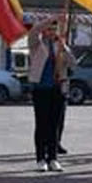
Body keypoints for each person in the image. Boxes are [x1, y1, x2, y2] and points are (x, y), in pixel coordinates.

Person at [27, 16, 75, 173]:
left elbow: (73, 63)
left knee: (55, 125)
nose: (51, 32)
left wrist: (64, 49)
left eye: (54, 29)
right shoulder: (37, 44)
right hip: (41, 88)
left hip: (57, 88)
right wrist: (50, 20)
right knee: (42, 124)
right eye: (49, 29)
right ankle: (41, 158)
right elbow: (33, 32)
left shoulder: (60, 45)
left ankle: (53, 158)